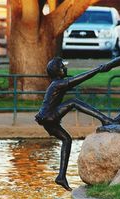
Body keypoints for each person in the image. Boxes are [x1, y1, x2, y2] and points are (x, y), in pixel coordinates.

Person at [36, 57, 114, 191]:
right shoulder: (57, 84)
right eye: (62, 66)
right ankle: (105, 119)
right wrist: (97, 69)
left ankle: (61, 176)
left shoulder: (56, 83)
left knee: (67, 139)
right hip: (49, 116)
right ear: (57, 71)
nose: (65, 68)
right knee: (73, 102)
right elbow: (80, 79)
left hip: (46, 119)